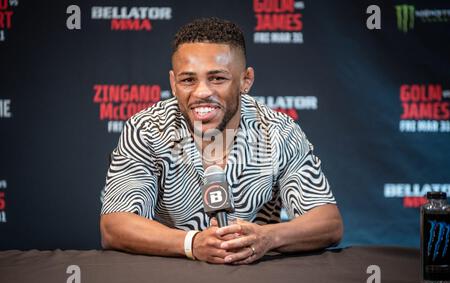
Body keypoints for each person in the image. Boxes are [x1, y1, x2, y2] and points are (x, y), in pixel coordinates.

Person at [100, 17, 343, 264]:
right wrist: (191, 243)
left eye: (217, 78)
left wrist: (268, 237)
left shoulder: (280, 132)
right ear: (174, 83)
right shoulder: (146, 129)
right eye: (188, 80)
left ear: (245, 80)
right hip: (171, 275)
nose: (202, 92)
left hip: (257, 278)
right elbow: (114, 224)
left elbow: (328, 222)